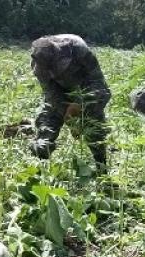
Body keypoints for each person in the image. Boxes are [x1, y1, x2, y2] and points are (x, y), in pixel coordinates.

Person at [29, 34, 111, 172]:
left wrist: (80, 107)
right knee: (46, 124)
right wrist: (70, 119)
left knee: (94, 128)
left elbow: (101, 88)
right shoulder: (39, 65)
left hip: (85, 86)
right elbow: (52, 96)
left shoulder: (78, 49)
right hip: (60, 91)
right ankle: (40, 171)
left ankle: (101, 168)